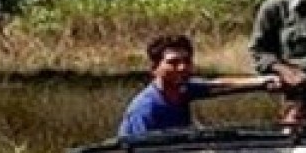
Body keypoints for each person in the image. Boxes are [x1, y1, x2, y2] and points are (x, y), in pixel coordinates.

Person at [118, 35, 277, 138]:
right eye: (173, 63)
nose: (181, 67)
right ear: (154, 68)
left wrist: (264, 82)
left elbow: (218, 86)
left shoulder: (184, 89)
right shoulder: (146, 108)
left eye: (186, 61)